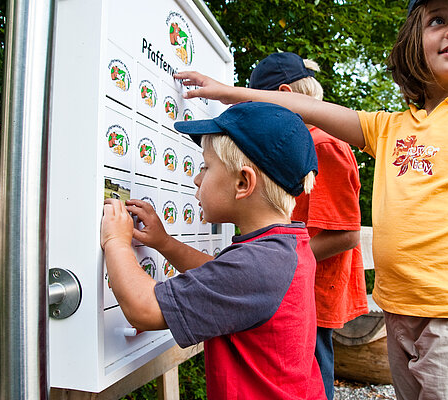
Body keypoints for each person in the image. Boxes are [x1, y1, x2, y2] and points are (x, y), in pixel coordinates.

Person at [173, 0, 448, 398]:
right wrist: (228, 93)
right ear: (414, 41)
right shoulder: (390, 127)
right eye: (438, 20)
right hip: (398, 312)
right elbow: (308, 107)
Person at [100, 101, 326, 399]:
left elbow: (143, 309)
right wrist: (165, 243)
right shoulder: (284, 246)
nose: (196, 178)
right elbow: (220, 278)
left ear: (243, 182)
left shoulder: (259, 263)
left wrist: (115, 239)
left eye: (205, 166)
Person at [249, 51, 368, 400]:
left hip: (312, 293)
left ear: (285, 95)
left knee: (311, 382)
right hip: (300, 289)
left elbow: (346, 233)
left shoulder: (323, 144)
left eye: (263, 103)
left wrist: (277, 261)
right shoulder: (304, 144)